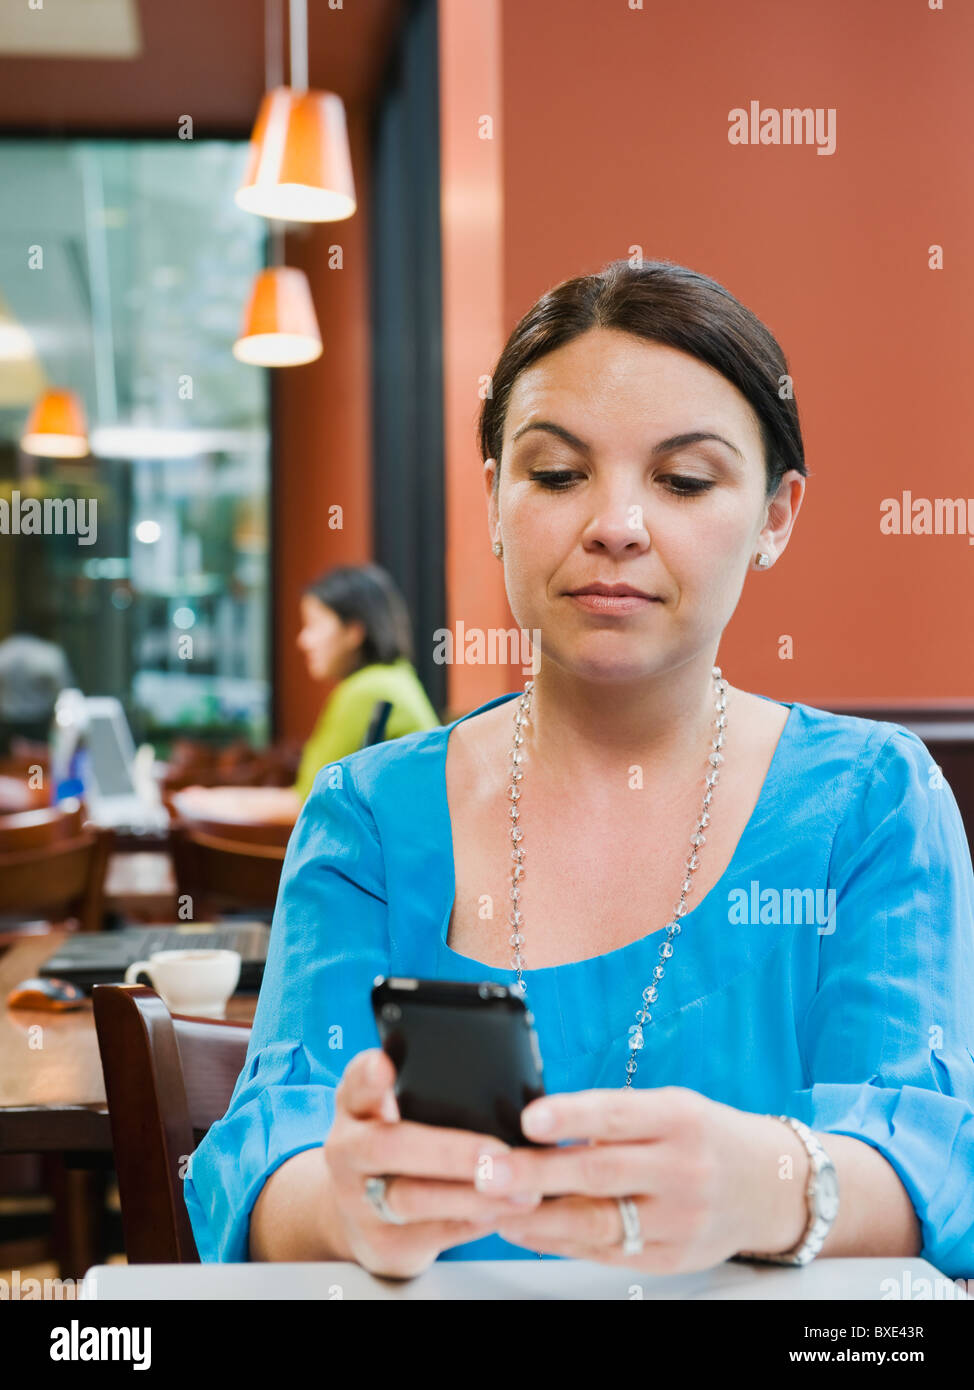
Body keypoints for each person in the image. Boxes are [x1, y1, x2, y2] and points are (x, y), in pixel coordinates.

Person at [184, 259, 974, 1281]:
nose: (615, 524)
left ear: (775, 515)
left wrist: (770, 1179)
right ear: (494, 499)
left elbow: (928, 1161)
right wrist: (345, 1202)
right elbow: (267, 1161)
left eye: (683, 479)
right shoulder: (367, 817)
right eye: (555, 474)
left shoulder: (870, 800)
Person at [174, 564, 440, 824]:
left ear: (353, 632)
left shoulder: (368, 690)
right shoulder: (393, 678)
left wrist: (203, 803)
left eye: (313, 625)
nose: (303, 640)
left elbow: (310, 804)